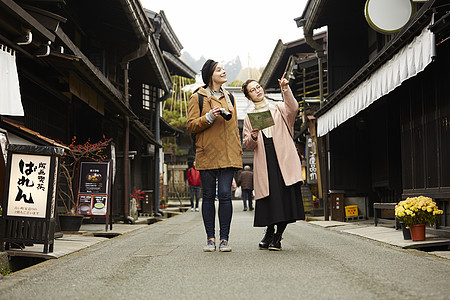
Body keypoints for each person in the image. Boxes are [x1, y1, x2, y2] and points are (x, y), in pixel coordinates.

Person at [241, 73, 305, 251]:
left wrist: (285, 88)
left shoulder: (278, 107)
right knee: (270, 199)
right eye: (252, 90)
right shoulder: (249, 117)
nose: (257, 91)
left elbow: (293, 108)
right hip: (264, 158)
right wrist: (253, 136)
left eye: (258, 87)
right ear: (249, 97)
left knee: (285, 197)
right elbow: (247, 143)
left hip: (283, 157)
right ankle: (269, 231)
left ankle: (277, 237)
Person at [187, 59, 243, 252]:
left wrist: (238, 151)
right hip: (207, 153)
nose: (223, 71)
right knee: (209, 196)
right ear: (210, 74)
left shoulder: (230, 97)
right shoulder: (198, 97)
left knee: (226, 195)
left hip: (229, 154)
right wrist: (209, 116)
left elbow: (234, 127)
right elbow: (191, 125)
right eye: (219, 70)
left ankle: (224, 239)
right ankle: (210, 238)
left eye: (223, 69)